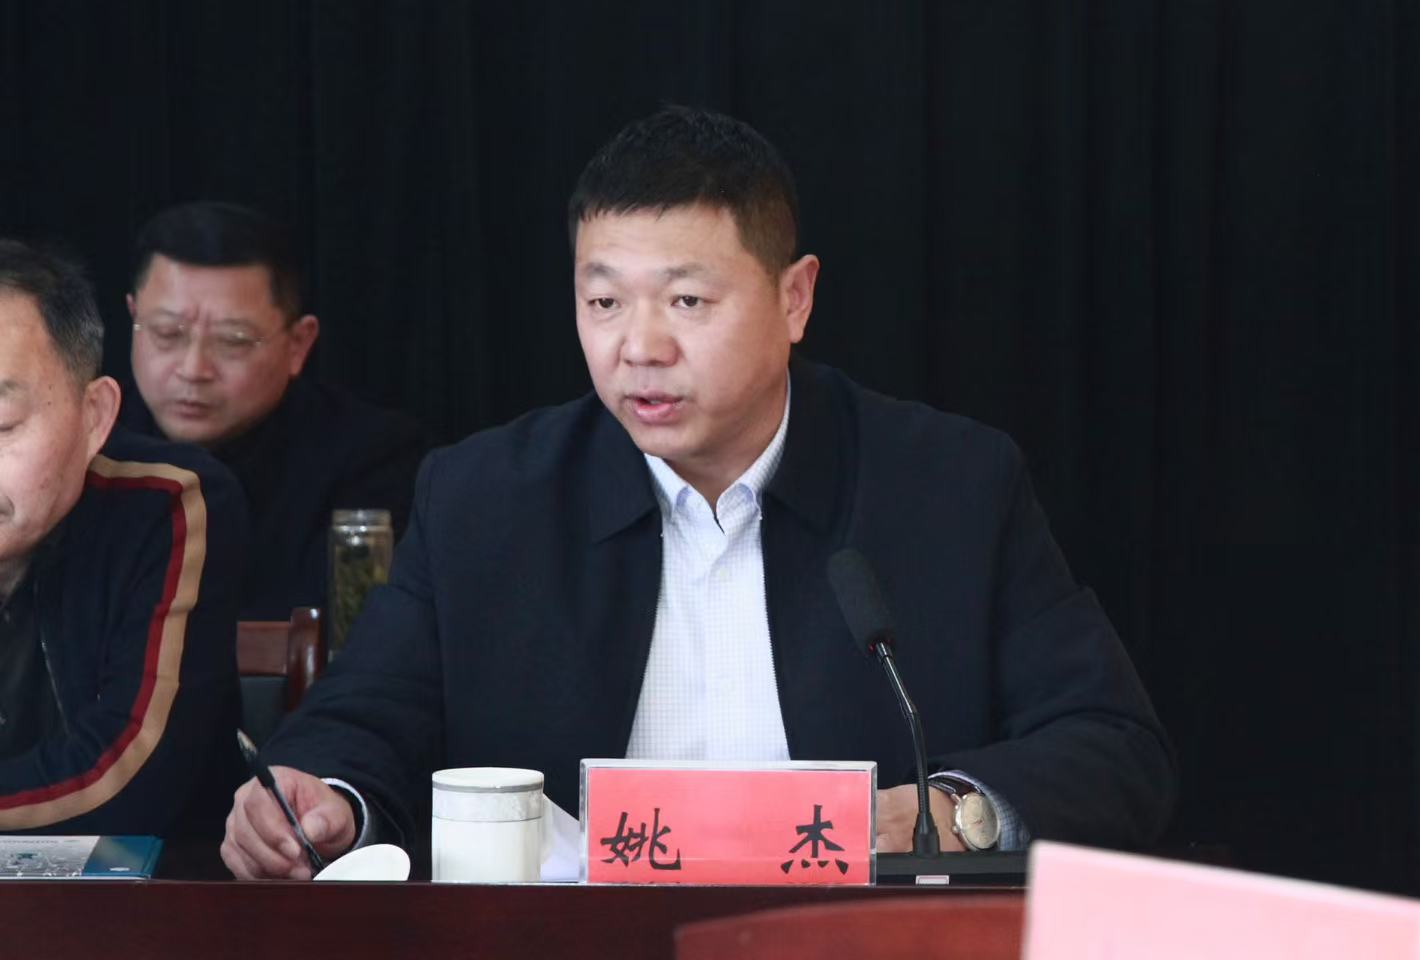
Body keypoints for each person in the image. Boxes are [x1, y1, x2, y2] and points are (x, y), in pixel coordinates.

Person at [221, 106, 1176, 880]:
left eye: (687, 301)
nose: (640, 347)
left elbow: (1114, 748)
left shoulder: (950, 486)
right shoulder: (488, 498)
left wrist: (949, 811)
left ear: (794, 298)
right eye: (604, 302)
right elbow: (364, 721)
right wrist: (322, 799)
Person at [0, 239, 246, 838]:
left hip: (143, 889)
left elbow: (127, 777)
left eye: (1, 425)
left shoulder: (165, 502)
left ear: (95, 417)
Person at [123, 202, 426, 620]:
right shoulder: (86, 445)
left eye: (233, 341)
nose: (193, 369)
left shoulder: (372, 461)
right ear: (133, 317)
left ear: (298, 344)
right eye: (167, 333)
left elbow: (356, 636)